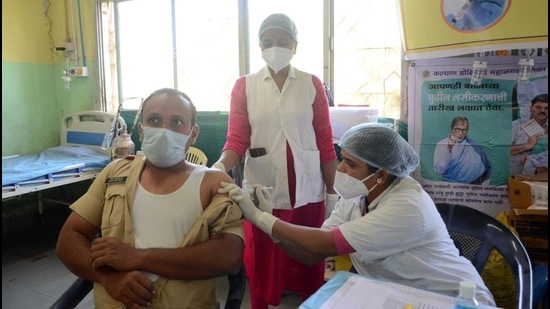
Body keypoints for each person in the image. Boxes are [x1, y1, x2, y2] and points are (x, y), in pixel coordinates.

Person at [220, 124, 496, 306]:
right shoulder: (357, 197)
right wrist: (271, 223)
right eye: (342, 159)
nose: (339, 170)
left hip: (449, 299)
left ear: (382, 174)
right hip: (396, 296)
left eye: (350, 164)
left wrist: (260, 219)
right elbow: (311, 253)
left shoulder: (407, 205)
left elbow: (324, 244)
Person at [55, 88, 244, 308]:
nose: (164, 130)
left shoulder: (214, 183)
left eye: (176, 122)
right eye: (154, 120)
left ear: (193, 134)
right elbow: (68, 239)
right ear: (142, 131)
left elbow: (229, 257)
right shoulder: (115, 173)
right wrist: (108, 278)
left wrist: (137, 257)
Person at [210, 13, 338, 309]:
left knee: (309, 257)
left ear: (295, 45)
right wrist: (219, 166)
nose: (274, 47)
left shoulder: (311, 84)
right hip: (264, 191)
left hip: (307, 191)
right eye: (267, 42)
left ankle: (312, 303)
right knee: (265, 263)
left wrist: (334, 193)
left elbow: (324, 143)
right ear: (259, 46)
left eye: (282, 41)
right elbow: (237, 139)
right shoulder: (245, 86)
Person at [433, 116, 491, 184]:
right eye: (457, 129)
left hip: (472, 189)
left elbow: (486, 167)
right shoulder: (442, 144)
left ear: (467, 131)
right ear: (452, 129)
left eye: (464, 130)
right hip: (449, 188)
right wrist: (448, 149)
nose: (460, 134)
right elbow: (440, 169)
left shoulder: (474, 146)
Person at [510, 93, 548, 175]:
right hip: (517, 179)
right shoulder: (515, 126)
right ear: (531, 108)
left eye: (546, 108)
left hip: (543, 181)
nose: (542, 111)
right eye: (538, 107)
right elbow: (500, 150)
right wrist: (527, 145)